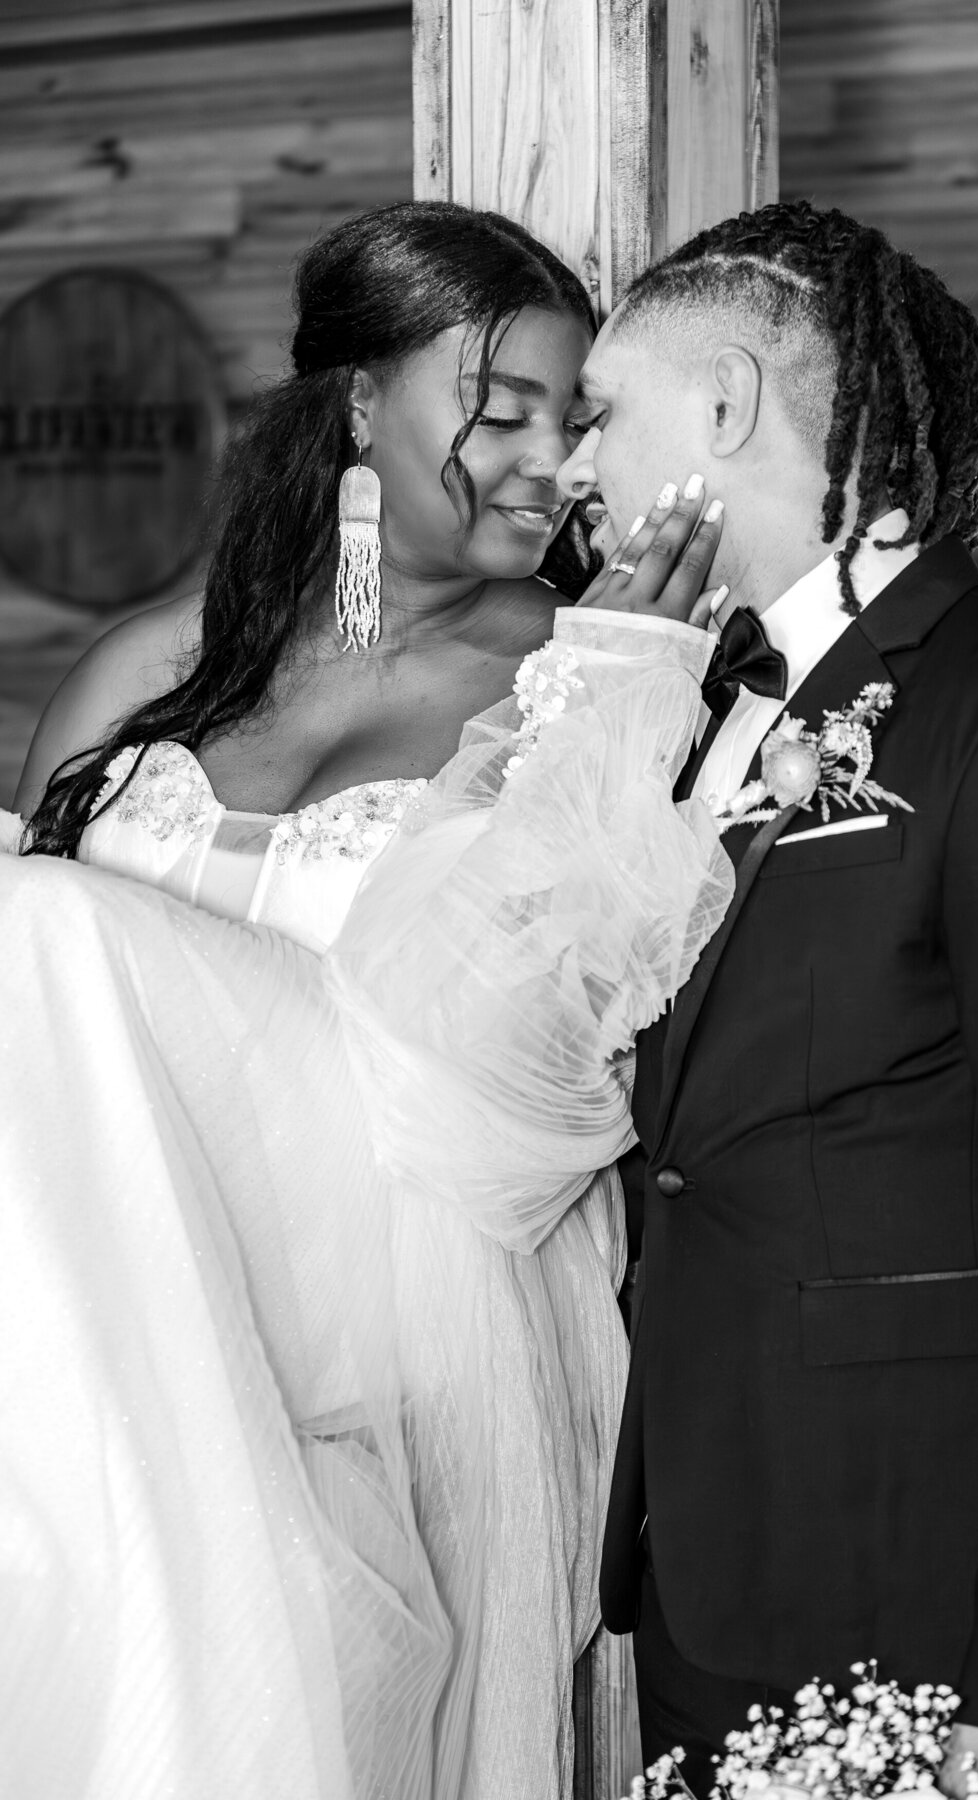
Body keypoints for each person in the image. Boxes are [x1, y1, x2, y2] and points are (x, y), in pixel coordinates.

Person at [0, 199, 732, 1800]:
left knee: (42, 926)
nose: (553, 461)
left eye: (579, 418)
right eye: (502, 410)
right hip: (122, 1306)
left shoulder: (578, 666)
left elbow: (550, 1065)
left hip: (400, 1282)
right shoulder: (156, 669)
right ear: (353, 406)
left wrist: (625, 686)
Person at [555, 198, 978, 1797]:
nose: (573, 470)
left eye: (599, 416)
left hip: (940, 1593)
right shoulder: (688, 703)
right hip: (714, 1563)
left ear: (724, 408)